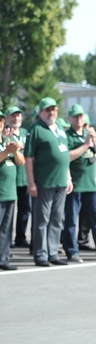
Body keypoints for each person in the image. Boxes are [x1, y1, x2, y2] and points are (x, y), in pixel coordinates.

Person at [61, 106, 96, 262]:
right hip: (75, 185)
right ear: (70, 119)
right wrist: (85, 145)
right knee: (71, 220)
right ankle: (72, 251)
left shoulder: (88, 135)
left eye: (81, 117)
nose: (79, 119)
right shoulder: (67, 136)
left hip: (90, 185)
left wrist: (93, 140)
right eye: (75, 117)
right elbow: (67, 157)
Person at [24, 98, 73, 267]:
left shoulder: (59, 128)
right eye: (47, 110)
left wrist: (68, 177)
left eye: (54, 109)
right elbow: (28, 157)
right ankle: (40, 255)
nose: (51, 112)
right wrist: (31, 183)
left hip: (60, 181)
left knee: (57, 219)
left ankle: (53, 253)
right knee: (42, 220)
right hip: (44, 181)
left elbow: (65, 155)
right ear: (40, 112)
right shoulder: (36, 129)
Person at [0, 111, 24, 270]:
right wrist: (7, 152)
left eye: (1, 122)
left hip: (9, 192)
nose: (0, 125)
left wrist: (14, 151)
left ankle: (3, 259)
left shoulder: (6, 141)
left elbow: (21, 162)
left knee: (6, 229)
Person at [5, 106, 29, 248]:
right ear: (8, 119)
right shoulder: (5, 134)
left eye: (18, 116)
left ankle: (21, 237)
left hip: (25, 178)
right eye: (13, 116)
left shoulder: (25, 133)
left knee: (25, 210)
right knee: (9, 212)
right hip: (11, 180)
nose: (16, 119)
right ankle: (7, 240)